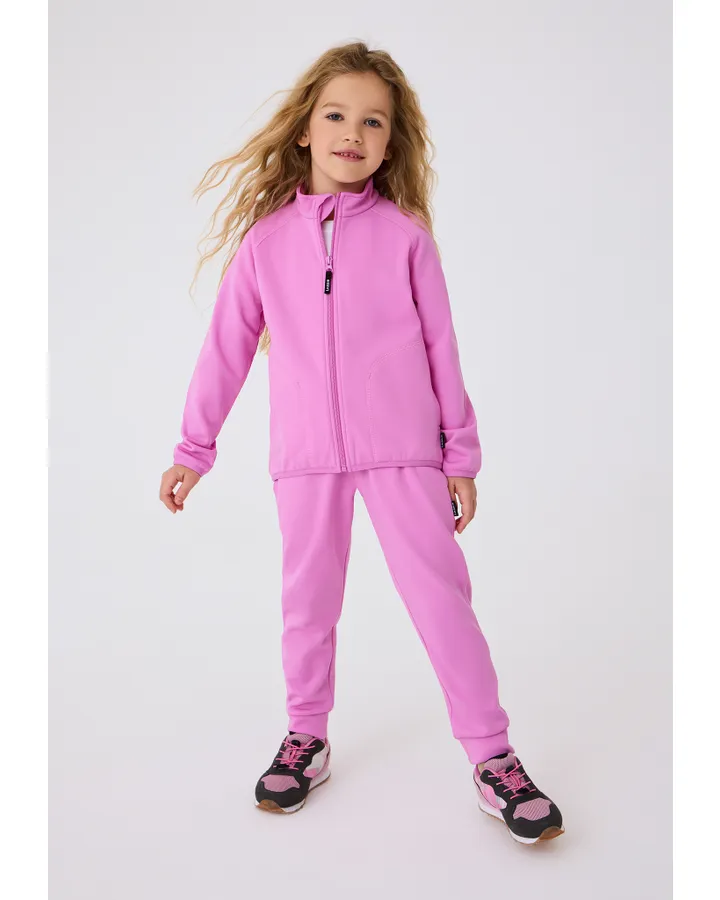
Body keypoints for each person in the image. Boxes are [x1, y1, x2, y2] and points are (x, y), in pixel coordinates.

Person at [159, 41, 564, 844]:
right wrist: (192, 448)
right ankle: (305, 736)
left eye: (373, 121)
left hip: (405, 452)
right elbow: (226, 350)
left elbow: (442, 347)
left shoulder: (406, 237)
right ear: (305, 129)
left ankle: (493, 757)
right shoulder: (265, 244)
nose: (353, 132)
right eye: (337, 115)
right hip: (305, 457)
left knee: (441, 602)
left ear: (390, 142)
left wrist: (460, 454)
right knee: (307, 604)